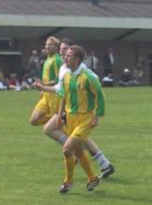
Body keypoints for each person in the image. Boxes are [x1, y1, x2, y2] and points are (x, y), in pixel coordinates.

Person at [33, 38, 114, 180]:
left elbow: (94, 84)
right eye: (61, 50)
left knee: (50, 129)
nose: (62, 52)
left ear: (73, 53)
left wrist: (96, 114)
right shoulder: (65, 68)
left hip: (76, 110)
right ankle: (104, 164)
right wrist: (44, 89)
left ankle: (77, 154)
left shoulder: (80, 70)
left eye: (65, 50)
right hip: (68, 108)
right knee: (81, 138)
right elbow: (60, 88)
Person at [56, 45, 106, 193]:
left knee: (67, 149)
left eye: (69, 55)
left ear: (77, 59)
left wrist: (96, 116)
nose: (65, 57)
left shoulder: (88, 77)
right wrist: (59, 116)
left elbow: (100, 96)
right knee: (77, 151)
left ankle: (68, 182)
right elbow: (63, 96)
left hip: (85, 119)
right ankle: (92, 178)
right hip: (70, 118)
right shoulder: (66, 76)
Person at [29, 36, 63, 126]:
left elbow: (59, 80)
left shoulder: (57, 60)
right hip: (46, 95)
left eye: (50, 45)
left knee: (56, 124)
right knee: (34, 120)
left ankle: (63, 121)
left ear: (56, 47)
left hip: (54, 96)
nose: (47, 47)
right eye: (46, 45)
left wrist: (43, 85)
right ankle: (62, 120)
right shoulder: (48, 59)